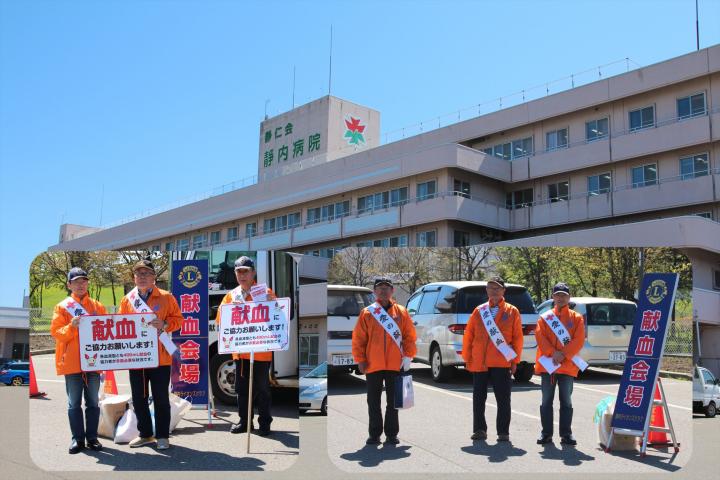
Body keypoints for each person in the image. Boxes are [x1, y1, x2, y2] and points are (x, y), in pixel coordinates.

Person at [119, 260, 182, 450]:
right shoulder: (127, 300)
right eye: (139, 274)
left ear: (154, 277)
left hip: (160, 356)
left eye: (146, 273)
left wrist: (164, 324)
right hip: (136, 356)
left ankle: (162, 436)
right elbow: (121, 325)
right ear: (134, 278)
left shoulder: (166, 297)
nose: (142, 277)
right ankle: (145, 434)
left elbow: (178, 319)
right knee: (139, 398)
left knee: (161, 398)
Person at [351, 277, 417, 445]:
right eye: (380, 288)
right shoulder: (367, 312)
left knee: (393, 401)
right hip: (373, 364)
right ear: (375, 291)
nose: (383, 291)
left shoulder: (401, 312)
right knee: (373, 401)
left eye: (386, 288)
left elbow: (409, 336)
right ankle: (374, 434)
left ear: (392, 291)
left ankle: (392, 434)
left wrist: (408, 355)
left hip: (396, 363)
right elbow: (359, 339)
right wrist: (360, 359)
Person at [216, 256, 277, 436]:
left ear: (253, 272)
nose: (242, 275)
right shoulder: (231, 295)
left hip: (261, 352)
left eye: (245, 271)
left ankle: (265, 423)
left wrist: (268, 301)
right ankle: (244, 421)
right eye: (238, 272)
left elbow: (277, 314)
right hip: (241, 352)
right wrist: (231, 311)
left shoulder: (264, 292)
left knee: (263, 389)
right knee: (242, 390)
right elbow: (221, 320)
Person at [50, 267, 108, 454]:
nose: (80, 284)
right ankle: (77, 439)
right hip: (72, 363)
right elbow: (56, 333)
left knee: (93, 402)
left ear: (88, 283)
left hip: (93, 362)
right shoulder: (62, 306)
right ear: (69, 285)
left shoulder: (98, 307)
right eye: (76, 281)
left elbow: (108, 332)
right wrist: (71, 326)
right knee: (74, 403)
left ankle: (92, 438)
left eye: (83, 280)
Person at [462, 276, 523, 442]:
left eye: (497, 288)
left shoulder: (512, 311)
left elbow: (517, 338)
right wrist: (467, 357)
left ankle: (503, 432)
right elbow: (469, 335)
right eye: (490, 288)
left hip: (501, 362)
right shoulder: (479, 310)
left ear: (503, 291)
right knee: (478, 399)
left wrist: (514, 361)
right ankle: (479, 430)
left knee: (503, 399)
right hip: (479, 361)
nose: (493, 291)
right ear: (486, 290)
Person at [535, 282, 585, 446]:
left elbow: (578, 340)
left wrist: (563, 354)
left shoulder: (576, 318)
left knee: (566, 402)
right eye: (558, 295)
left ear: (569, 297)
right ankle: (546, 433)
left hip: (567, 365)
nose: (561, 298)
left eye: (564, 295)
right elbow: (540, 337)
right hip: (548, 365)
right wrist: (553, 353)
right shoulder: (545, 317)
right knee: (546, 401)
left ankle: (566, 434)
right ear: (553, 297)